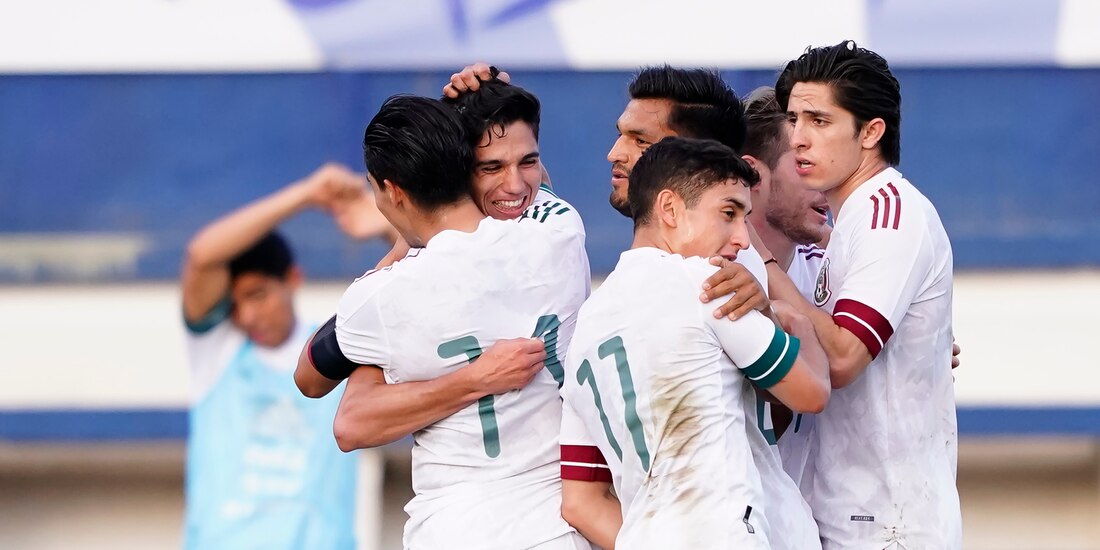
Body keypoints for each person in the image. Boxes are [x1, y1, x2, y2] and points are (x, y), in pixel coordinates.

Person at [299, 95, 592, 549]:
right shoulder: (560, 232)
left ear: (391, 190)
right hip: (559, 530)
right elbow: (534, 189)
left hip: (454, 529)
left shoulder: (382, 299)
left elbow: (310, 378)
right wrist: (488, 95)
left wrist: (399, 251)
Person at [735, 41, 961, 549]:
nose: (798, 138)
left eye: (819, 120)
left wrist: (763, 266)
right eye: (794, 119)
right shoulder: (851, 223)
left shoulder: (890, 215)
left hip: (887, 524)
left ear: (870, 132)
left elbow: (840, 360)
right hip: (847, 516)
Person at [562, 136, 829, 549]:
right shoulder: (706, 282)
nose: (742, 237)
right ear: (669, 209)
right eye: (728, 213)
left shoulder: (585, 327)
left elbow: (579, 503)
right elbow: (810, 393)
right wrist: (799, 324)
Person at [179, 163, 392, 549]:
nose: (247, 316)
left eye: (258, 295)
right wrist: (308, 194)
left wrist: (382, 220)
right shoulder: (218, 353)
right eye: (235, 304)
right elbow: (201, 256)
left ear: (292, 279)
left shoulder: (339, 344)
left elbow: (426, 265)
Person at [740, 86, 831, 498]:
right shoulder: (709, 276)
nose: (824, 183)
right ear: (753, 174)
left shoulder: (838, 267)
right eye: (804, 164)